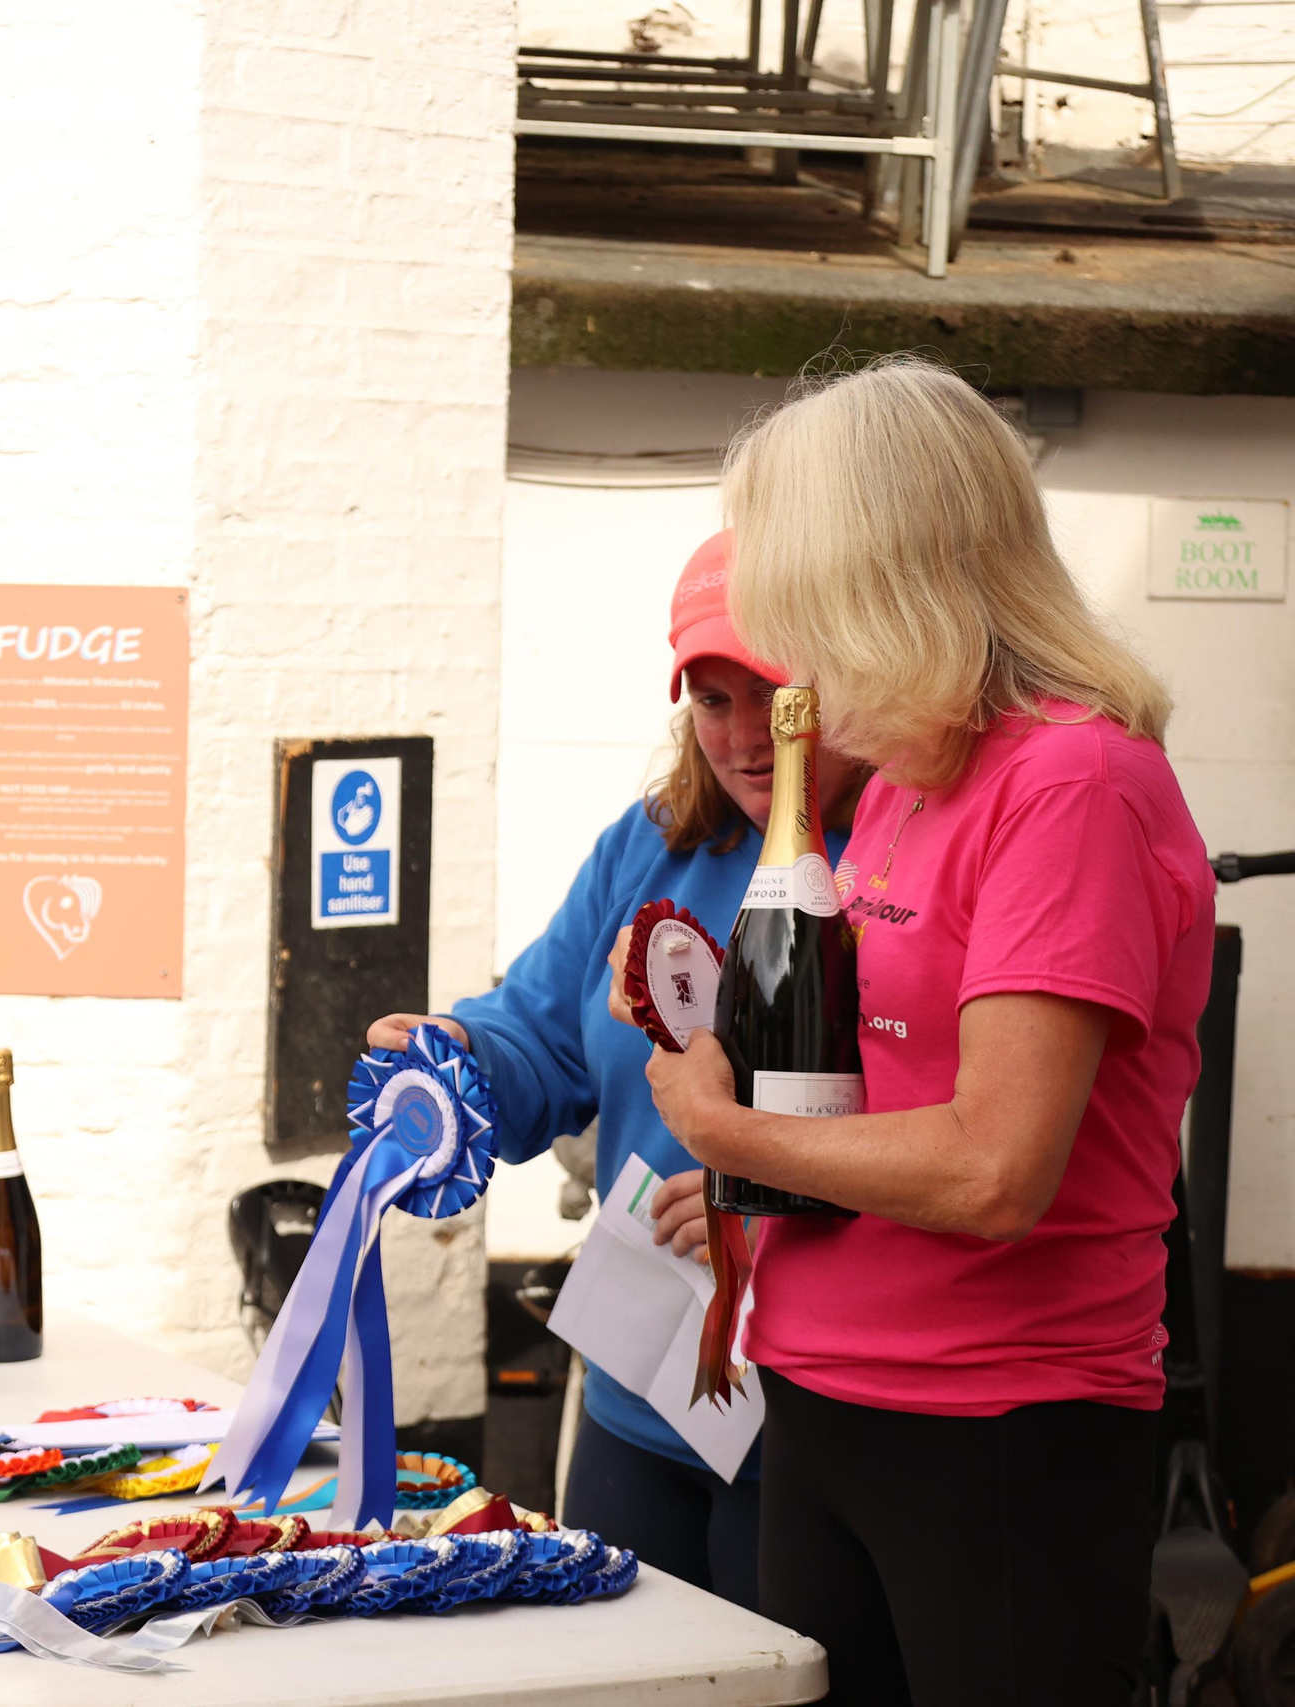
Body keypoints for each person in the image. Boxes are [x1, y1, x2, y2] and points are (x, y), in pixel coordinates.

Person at [637, 356, 1213, 1706]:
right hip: (826, 1390)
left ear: (877, 573)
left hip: (999, 1416)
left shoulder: (1072, 780)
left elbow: (993, 1169)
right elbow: (872, 1093)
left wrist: (733, 1130)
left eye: (799, 587)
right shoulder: (907, 773)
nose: (788, 634)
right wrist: (748, 1156)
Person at [370, 531, 863, 1610]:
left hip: (807, 1415)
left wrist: (769, 1182)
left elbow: (938, 1127)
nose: (740, 739)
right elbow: (542, 1035)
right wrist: (455, 1065)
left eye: (768, 695)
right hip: (639, 1392)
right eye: (711, 700)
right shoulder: (648, 844)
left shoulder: (896, 860)